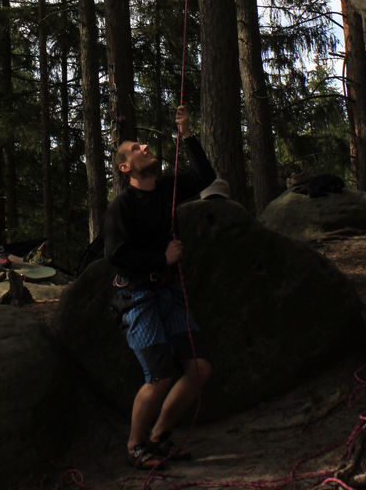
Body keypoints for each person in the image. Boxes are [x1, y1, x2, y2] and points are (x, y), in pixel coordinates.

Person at [104, 106, 216, 470]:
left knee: (199, 369)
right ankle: (135, 445)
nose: (145, 147)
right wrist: (161, 259)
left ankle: (159, 437)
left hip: (168, 293)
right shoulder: (121, 206)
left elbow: (205, 176)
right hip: (136, 297)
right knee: (159, 376)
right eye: (136, 148)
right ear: (125, 168)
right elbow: (116, 255)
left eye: (143, 145)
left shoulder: (167, 189)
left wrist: (187, 133)